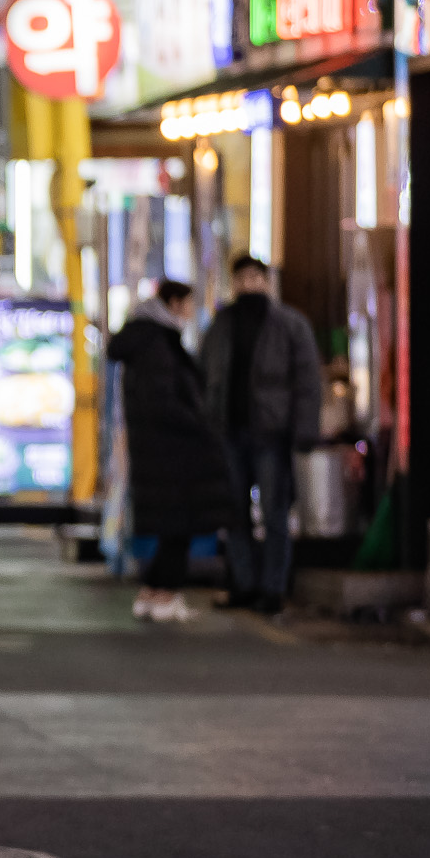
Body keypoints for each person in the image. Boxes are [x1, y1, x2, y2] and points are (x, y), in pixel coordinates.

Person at [198, 256, 325, 612]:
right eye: (241, 278)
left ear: (267, 282)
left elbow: (307, 381)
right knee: (234, 512)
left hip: (272, 431)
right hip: (229, 431)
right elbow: (205, 374)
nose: (248, 284)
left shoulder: (289, 324)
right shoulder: (221, 324)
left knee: (274, 512)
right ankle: (244, 583)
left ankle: (272, 588)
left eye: (255, 277)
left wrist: (305, 431)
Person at [108, 281, 237, 622]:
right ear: (175, 303)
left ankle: (153, 593)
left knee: (174, 527)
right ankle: (165, 595)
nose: (192, 311)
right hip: (173, 450)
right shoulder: (157, 343)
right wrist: (201, 425)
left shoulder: (146, 339)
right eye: (189, 304)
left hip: (158, 450)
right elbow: (165, 401)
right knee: (180, 525)